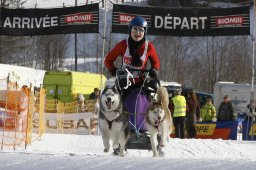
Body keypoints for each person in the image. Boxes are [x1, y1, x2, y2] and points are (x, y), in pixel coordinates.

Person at [104, 16, 160, 101]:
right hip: (124, 81)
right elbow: (108, 60)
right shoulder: (123, 45)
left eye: (141, 30)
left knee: (152, 92)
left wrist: (154, 70)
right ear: (130, 30)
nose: (138, 32)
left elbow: (156, 63)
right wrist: (113, 70)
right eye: (135, 29)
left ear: (145, 32)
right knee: (120, 101)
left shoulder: (149, 47)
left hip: (141, 81)